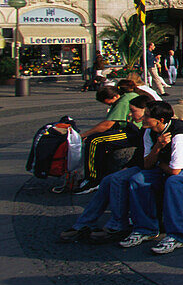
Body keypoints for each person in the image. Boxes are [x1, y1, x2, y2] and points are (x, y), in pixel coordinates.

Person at [120, 100, 183, 254]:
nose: (142, 118)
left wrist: (157, 163)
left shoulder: (181, 136)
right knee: (137, 180)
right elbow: (147, 165)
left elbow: (175, 171)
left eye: (147, 116)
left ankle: (177, 236)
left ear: (161, 120)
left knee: (174, 183)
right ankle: (146, 229)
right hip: (168, 164)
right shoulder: (149, 131)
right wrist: (157, 147)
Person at [58, 95, 151, 244]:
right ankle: (85, 223)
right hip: (142, 165)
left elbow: (152, 157)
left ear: (146, 112)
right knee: (108, 179)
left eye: (134, 111)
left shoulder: (155, 130)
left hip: (153, 168)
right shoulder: (146, 128)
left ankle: (117, 225)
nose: (130, 115)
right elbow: (140, 153)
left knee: (117, 179)